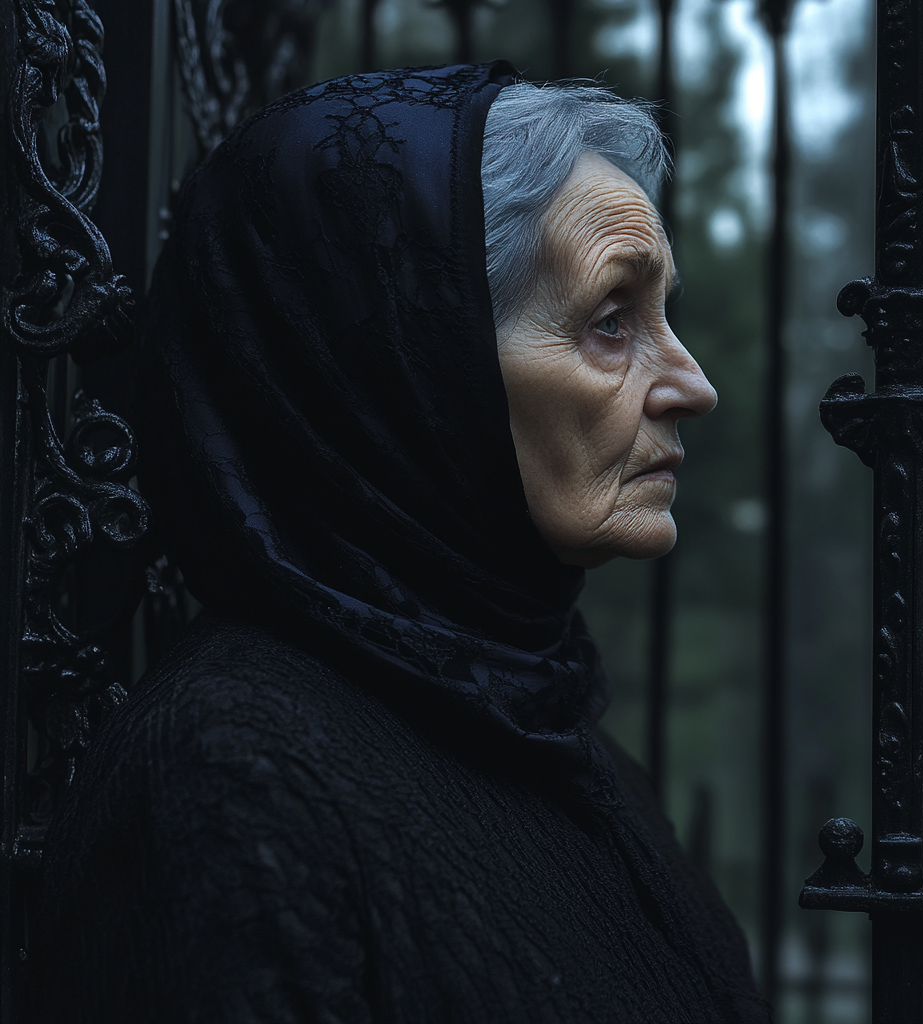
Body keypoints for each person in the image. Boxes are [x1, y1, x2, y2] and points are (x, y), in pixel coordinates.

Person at [34, 62, 770, 1023]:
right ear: (413, 363)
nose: (692, 383)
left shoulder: (549, 718)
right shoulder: (228, 777)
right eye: (609, 320)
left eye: (661, 313)